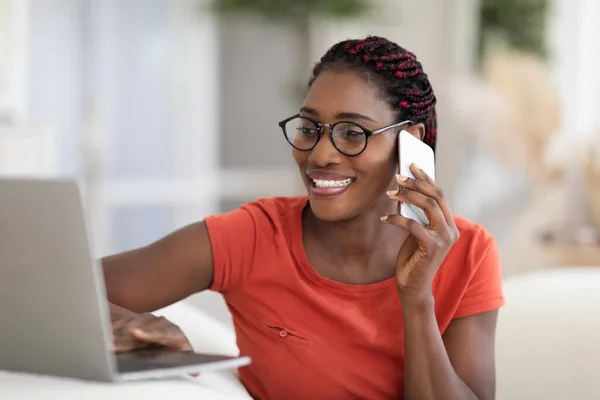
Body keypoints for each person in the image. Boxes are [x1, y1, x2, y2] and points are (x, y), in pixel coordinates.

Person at [103, 36, 504, 400]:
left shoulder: (468, 252)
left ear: (410, 142)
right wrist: (132, 328)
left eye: (351, 132)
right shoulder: (255, 236)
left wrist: (417, 301)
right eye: (310, 127)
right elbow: (67, 292)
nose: (319, 155)